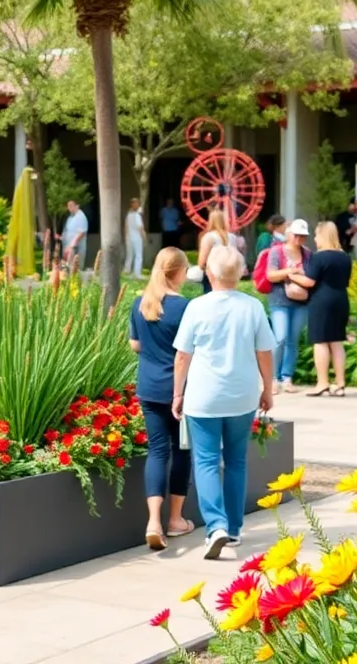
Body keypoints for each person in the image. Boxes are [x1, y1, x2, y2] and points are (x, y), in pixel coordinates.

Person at [172, 245, 275, 559]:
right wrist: (268, 389)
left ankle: (214, 525)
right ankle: (232, 529)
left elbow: (183, 356)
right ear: (241, 272)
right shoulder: (253, 307)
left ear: (209, 273)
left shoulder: (197, 307)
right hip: (241, 395)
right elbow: (265, 352)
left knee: (204, 461)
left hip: (204, 397)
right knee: (236, 462)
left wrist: (178, 393)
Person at [129, 247, 194, 550]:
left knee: (157, 451)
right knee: (181, 450)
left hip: (149, 387)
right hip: (180, 389)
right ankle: (176, 520)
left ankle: (153, 520)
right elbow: (189, 351)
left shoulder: (140, 304)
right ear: (178, 272)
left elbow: (135, 345)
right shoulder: (186, 308)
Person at [291, 222, 352, 397]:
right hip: (341, 299)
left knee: (321, 341)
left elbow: (310, 282)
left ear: (323, 236)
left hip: (322, 301)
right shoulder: (345, 257)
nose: (315, 239)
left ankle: (322, 383)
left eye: (317, 235)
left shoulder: (319, 257)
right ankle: (340, 384)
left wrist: (292, 276)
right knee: (337, 342)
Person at [265, 219, 312, 394]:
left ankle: (287, 377)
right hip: (279, 301)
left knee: (293, 340)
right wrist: (290, 272)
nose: (299, 239)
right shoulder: (277, 252)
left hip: (301, 301)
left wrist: (298, 275)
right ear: (289, 234)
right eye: (296, 235)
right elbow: (270, 275)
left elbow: (312, 275)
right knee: (280, 338)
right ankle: (272, 378)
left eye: (303, 236)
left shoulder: (307, 254)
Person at [196, 210, 239, 293]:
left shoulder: (209, 237)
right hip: (229, 273)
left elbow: (201, 262)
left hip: (212, 274)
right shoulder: (232, 237)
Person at [62, 200, 89, 270]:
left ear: (77, 206)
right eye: (68, 206)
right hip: (68, 248)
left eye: (71, 205)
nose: (69, 208)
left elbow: (82, 232)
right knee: (68, 269)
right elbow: (68, 232)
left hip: (76, 249)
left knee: (76, 270)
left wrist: (72, 245)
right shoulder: (70, 218)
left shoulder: (81, 216)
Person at [124, 198, 146, 278]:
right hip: (136, 238)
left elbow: (125, 226)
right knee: (138, 255)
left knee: (129, 255)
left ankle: (127, 270)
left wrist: (126, 237)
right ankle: (137, 273)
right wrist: (145, 238)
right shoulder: (137, 216)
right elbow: (141, 229)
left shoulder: (129, 214)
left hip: (129, 238)